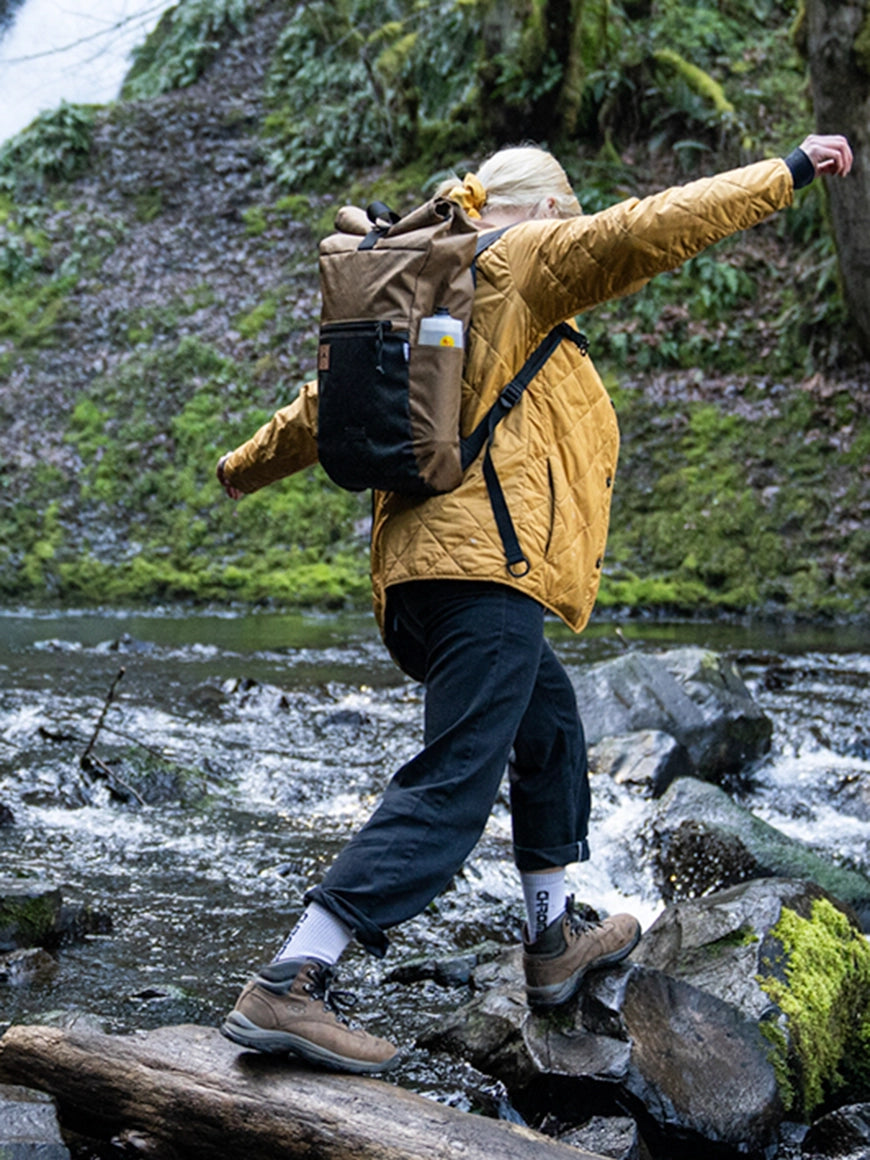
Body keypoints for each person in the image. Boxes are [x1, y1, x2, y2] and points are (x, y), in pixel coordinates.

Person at [215, 133, 853, 1075]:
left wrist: (240, 470)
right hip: (483, 576)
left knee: (548, 727)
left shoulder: (430, 283)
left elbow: (320, 408)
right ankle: (293, 976)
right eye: (574, 213)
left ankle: (553, 942)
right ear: (553, 210)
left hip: (424, 583)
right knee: (455, 779)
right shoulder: (518, 260)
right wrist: (788, 171)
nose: (581, 227)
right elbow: (653, 227)